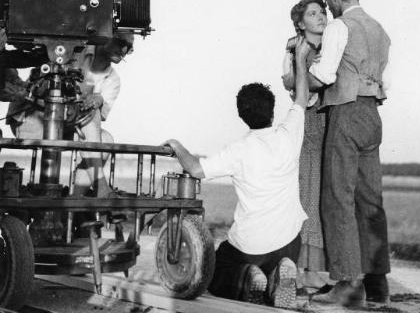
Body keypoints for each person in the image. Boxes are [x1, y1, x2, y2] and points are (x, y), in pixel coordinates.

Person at [163, 37, 311, 309]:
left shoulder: (238, 150)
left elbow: (196, 169)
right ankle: (280, 271)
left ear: (242, 115)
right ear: (272, 110)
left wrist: (176, 145)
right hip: (290, 242)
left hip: (250, 247)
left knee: (218, 269)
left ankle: (247, 277)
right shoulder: (289, 134)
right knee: (275, 259)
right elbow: (301, 97)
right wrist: (300, 59)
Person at [308, 0, 391, 308]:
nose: (327, 7)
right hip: (373, 114)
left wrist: (303, 70)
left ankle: (347, 283)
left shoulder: (340, 26)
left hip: (345, 111)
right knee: (370, 200)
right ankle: (377, 286)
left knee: (337, 197)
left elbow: (324, 74)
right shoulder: (380, 30)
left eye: (327, 0)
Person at [6, 32, 134, 197]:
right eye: (121, 42)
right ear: (106, 36)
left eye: (129, 47)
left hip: (64, 127)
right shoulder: (74, 49)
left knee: (106, 139)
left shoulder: (113, 80)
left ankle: (73, 203)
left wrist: (98, 99)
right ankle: (101, 186)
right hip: (30, 120)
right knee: (92, 114)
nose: (124, 49)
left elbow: (91, 127)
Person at [282, 0, 329, 290]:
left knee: (321, 195)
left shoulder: (331, 45)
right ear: (301, 23)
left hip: (328, 123)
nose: (321, 16)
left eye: (322, 11)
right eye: (313, 13)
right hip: (309, 120)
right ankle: (301, 267)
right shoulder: (294, 47)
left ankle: (314, 267)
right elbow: (289, 80)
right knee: (307, 193)